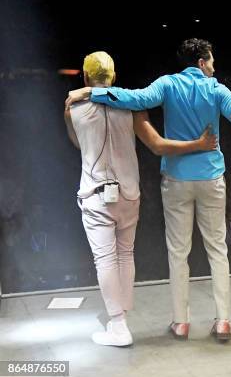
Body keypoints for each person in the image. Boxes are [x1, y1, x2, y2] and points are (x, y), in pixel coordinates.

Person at [66, 39, 231, 342]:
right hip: (211, 177)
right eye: (212, 60)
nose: (214, 66)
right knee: (218, 249)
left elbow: (134, 98)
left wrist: (91, 91)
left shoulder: (166, 84)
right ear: (202, 62)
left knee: (178, 252)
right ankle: (223, 321)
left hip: (176, 178)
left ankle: (181, 323)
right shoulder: (216, 89)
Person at [64, 51, 216, 346]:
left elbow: (77, 144)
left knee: (105, 258)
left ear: (85, 78)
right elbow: (158, 146)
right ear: (114, 78)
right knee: (125, 254)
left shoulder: (72, 110)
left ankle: (118, 325)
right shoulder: (132, 109)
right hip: (129, 192)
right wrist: (199, 144)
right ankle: (122, 316)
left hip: (96, 194)